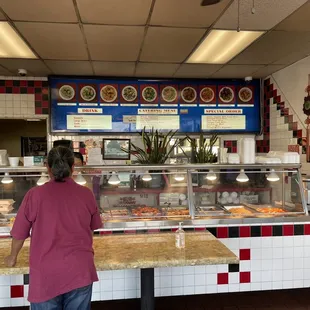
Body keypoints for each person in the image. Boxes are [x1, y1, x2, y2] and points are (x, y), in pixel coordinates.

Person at [5, 146, 102, 309]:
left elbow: (20, 234)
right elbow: (91, 229)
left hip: (46, 274)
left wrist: (12, 257)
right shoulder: (86, 194)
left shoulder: (34, 195)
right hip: (80, 270)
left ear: (47, 167)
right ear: (73, 167)